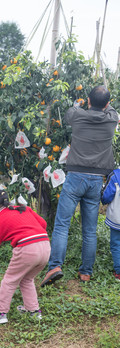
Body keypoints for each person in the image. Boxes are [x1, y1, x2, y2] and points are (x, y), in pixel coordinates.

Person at [40, 85, 119, 287]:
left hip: (75, 177)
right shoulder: (111, 119)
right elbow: (112, 110)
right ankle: (86, 272)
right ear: (107, 103)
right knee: (90, 230)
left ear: (88, 101)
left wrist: (80, 103)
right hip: (95, 181)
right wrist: (100, 103)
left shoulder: (78, 116)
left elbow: (70, 111)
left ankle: (55, 266)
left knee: (61, 225)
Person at [0, 189, 51, 324]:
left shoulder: (0, 220)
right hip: (45, 246)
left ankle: (1, 313)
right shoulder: (23, 209)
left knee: (9, 280)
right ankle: (34, 311)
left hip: (27, 248)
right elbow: (43, 224)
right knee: (27, 279)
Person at [101, 168, 120, 280]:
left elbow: (106, 196)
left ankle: (119, 271)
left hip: (117, 217)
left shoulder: (115, 175)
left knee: (116, 244)